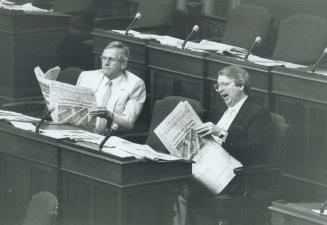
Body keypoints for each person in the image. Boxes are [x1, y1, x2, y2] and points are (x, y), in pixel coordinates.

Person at [173, 65, 273, 225]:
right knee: (169, 178)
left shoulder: (258, 112)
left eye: (225, 84)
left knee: (181, 187)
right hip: (207, 166)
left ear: (241, 85)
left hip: (235, 175)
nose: (219, 89)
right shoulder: (219, 109)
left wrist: (222, 133)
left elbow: (254, 150)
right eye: (218, 85)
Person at [76, 41, 146, 134]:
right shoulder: (86, 76)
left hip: (107, 138)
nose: (106, 63)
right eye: (104, 58)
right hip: (79, 131)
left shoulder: (135, 84)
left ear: (123, 64)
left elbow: (129, 123)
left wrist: (108, 115)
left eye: (111, 59)